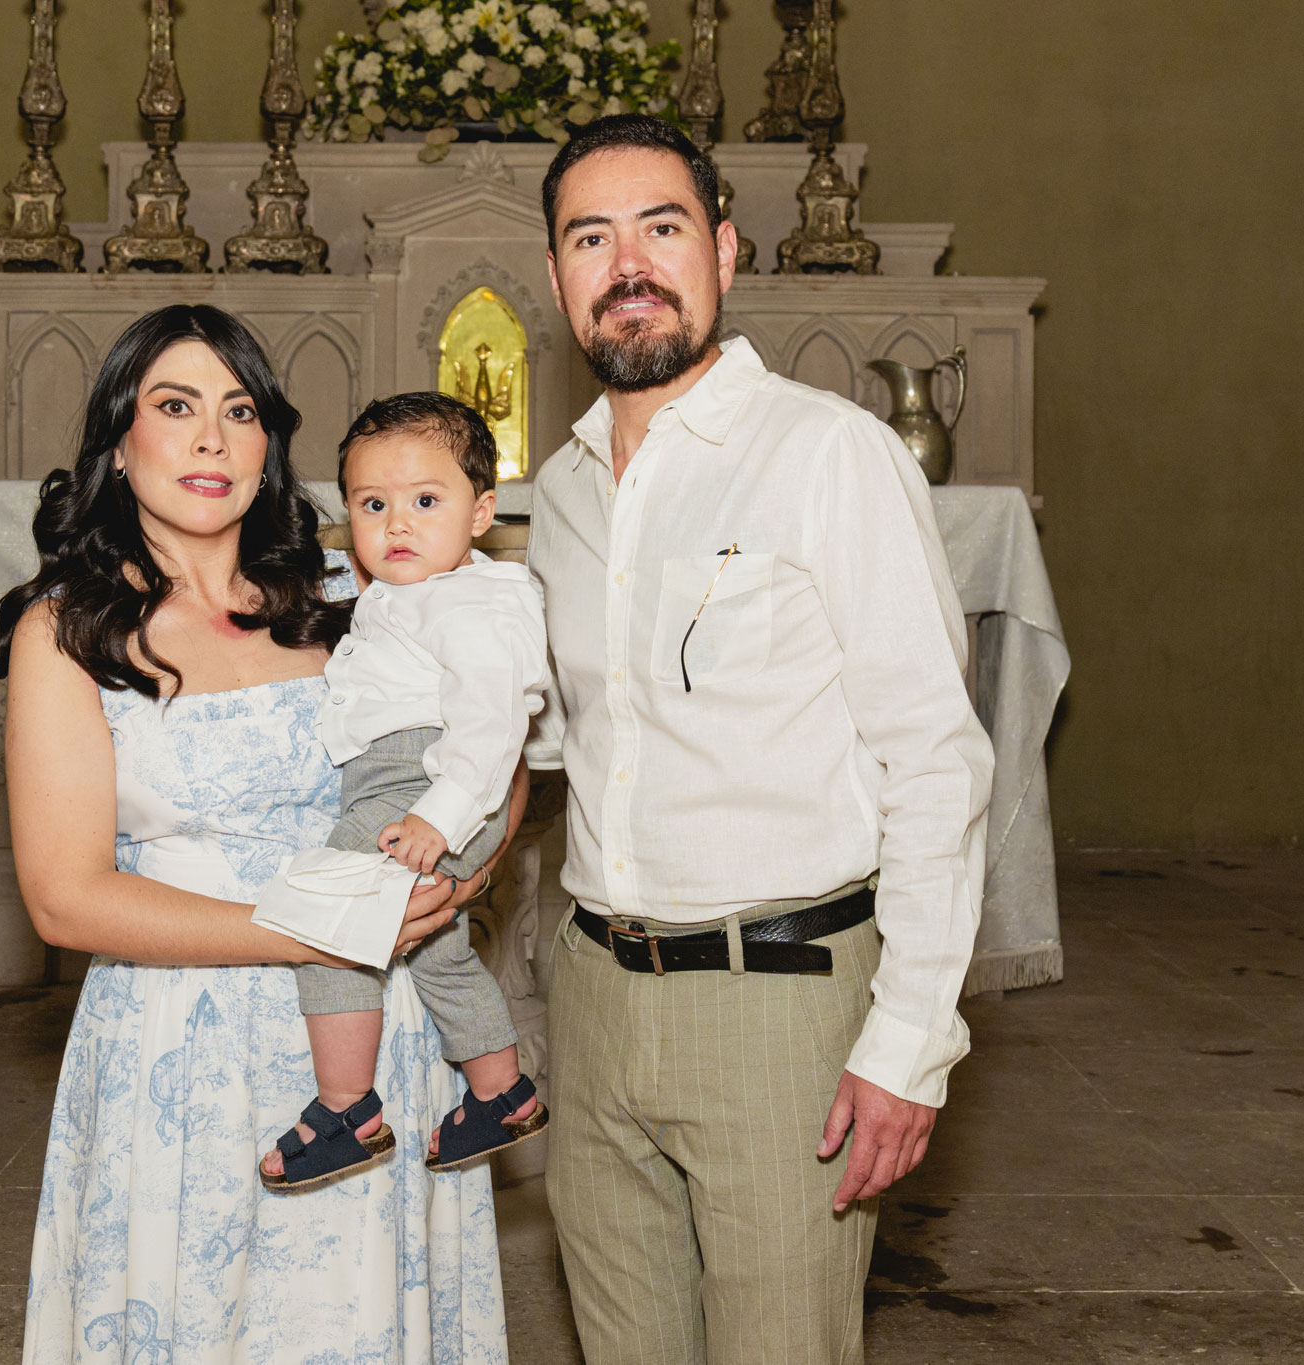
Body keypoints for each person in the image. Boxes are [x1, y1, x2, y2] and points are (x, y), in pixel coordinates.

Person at [524, 115, 996, 1363]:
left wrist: (907, 1044)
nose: (627, 265)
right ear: (556, 276)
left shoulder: (826, 454)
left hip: (778, 1005)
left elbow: (932, 760)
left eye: (661, 228)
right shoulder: (560, 492)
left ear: (724, 251)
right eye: (590, 238)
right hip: (594, 996)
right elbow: (556, 740)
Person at [0, 305, 512, 1363]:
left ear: (268, 442)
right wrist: (313, 932)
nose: (210, 439)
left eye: (238, 412)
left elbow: (496, 744)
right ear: (117, 440)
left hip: (376, 1019)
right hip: (182, 1043)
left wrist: (455, 882)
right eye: (174, 406)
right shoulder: (70, 630)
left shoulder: (359, 593)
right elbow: (63, 898)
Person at [255, 393, 550, 1191]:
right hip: (406, 779)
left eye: (425, 501)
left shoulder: (476, 603)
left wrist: (438, 817)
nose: (397, 525)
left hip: (428, 781)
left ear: (481, 511)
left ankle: (346, 1108)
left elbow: (492, 725)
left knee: (331, 913)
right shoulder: (409, 589)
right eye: (373, 505)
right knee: (438, 948)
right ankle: (502, 1091)